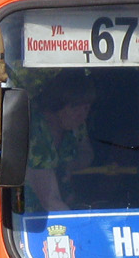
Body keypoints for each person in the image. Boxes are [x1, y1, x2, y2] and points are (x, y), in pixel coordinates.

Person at [24, 70, 96, 212]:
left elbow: (87, 153)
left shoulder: (77, 125)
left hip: (67, 204)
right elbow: (50, 201)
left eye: (86, 108)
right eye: (75, 108)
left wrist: (69, 166)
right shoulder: (35, 132)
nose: (82, 115)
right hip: (32, 222)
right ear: (57, 104)